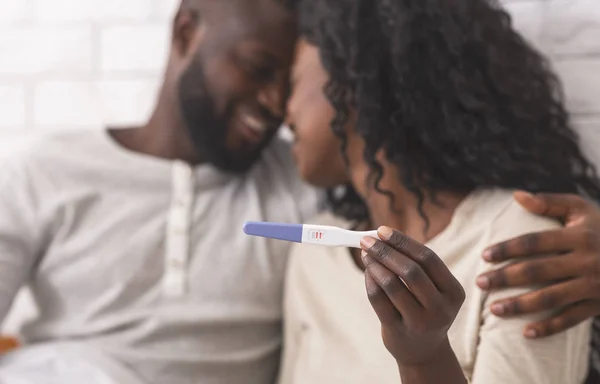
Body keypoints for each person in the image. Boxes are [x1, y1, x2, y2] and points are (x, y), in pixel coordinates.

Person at [279, 0, 600, 382]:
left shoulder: (520, 241)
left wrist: (424, 358)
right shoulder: (314, 258)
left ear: (352, 75)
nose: (284, 113)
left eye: (292, 83)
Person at [0, 1, 320, 383]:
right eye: (259, 70)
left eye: (291, 83)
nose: (276, 102)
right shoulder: (47, 172)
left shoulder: (300, 186)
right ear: (186, 34)